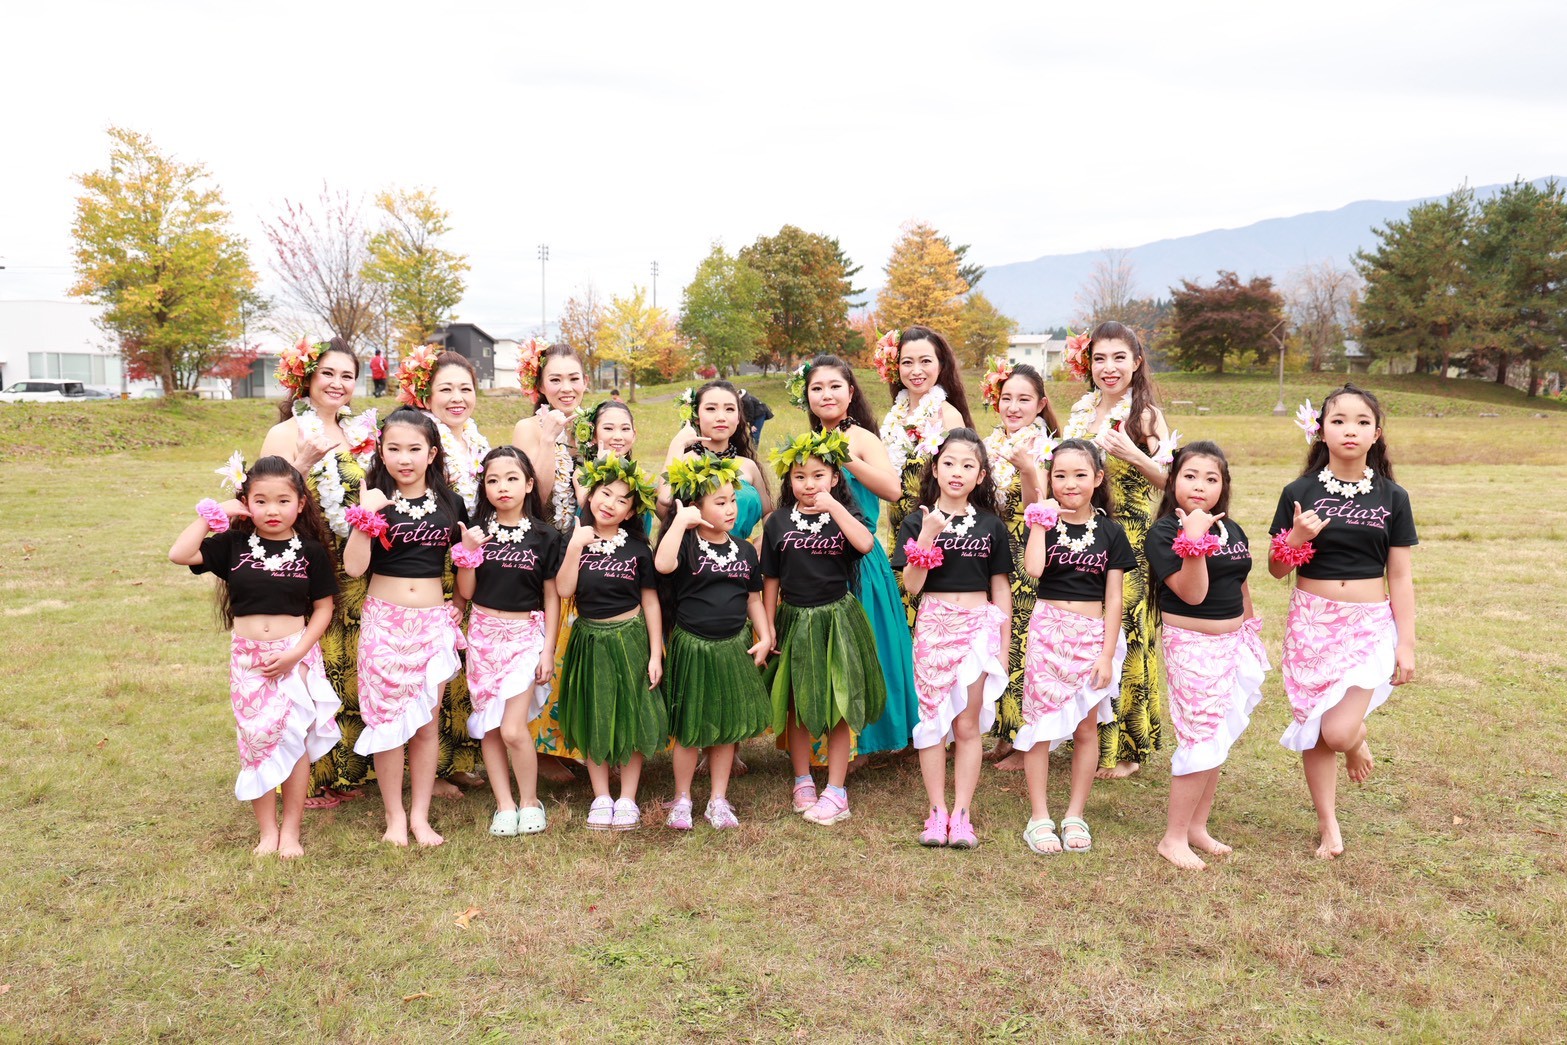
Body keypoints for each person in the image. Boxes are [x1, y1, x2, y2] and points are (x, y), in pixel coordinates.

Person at [1269, 385, 1416, 860]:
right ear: (1321, 431)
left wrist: (1406, 643)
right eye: (1338, 420)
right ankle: (1328, 824)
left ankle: (1355, 740)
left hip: (1367, 627)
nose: (1349, 430)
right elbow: (1277, 569)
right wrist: (1296, 537)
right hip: (1311, 627)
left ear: (1377, 433)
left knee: (1337, 731)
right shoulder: (1299, 492)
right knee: (1316, 727)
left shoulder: (1393, 496)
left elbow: (1400, 575)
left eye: (1361, 421)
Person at [169, 455, 341, 858]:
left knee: (294, 741)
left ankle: (291, 831)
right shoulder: (233, 545)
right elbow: (180, 554)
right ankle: (267, 831)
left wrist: (296, 653)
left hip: (294, 656)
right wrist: (214, 514)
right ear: (246, 502)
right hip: (249, 662)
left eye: (283, 500)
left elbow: (324, 609)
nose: (272, 510)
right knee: (256, 742)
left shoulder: (311, 551)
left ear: (301, 503)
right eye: (260, 501)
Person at [260, 337, 380, 808]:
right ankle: (309, 776)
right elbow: (266, 496)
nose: (337, 383)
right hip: (307, 562)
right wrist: (304, 463)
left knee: (351, 668)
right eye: (327, 373)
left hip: (357, 566)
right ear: (307, 378)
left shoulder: (359, 434)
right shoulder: (287, 432)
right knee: (315, 669)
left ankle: (350, 770)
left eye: (347, 375)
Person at [341, 408, 467, 847]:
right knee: (387, 723)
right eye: (394, 449)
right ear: (381, 452)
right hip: (385, 623)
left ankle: (420, 816)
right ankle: (394, 816)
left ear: (431, 453)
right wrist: (366, 516)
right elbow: (354, 568)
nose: (404, 458)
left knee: (427, 724)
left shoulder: (451, 503)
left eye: (414, 449)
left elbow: (465, 560)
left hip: (431, 625)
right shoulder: (373, 498)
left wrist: (460, 604)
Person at [1059, 321, 1176, 779]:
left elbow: (1173, 482)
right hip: (1084, 535)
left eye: (1119, 358)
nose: (1109, 367)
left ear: (1137, 362)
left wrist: (1134, 454)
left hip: (1130, 538)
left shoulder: (1146, 417)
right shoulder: (1081, 411)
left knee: (1126, 633)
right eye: (1100, 358)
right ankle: (1084, 733)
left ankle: (1128, 746)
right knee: (1089, 633)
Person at [1146, 442, 1269, 870]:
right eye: (1190, 476)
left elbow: (1240, 582)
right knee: (1200, 737)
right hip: (1192, 647)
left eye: (1211, 478)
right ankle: (1173, 837)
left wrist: (1249, 630)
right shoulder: (1164, 532)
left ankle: (1197, 827)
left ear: (1223, 486)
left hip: (1232, 645)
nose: (1200, 486)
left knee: (1217, 737)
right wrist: (1193, 540)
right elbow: (1193, 594)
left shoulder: (1231, 529)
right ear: (1173, 481)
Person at [1014, 439, 1137, 855]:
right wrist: (1038, 520)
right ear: (1050, 479)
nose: (1070, 483)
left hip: (1091, 636)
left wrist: (1106, 654)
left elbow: (1114, 598)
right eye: (1061, 475)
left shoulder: (1111, 532)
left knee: (1086, 728)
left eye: (1080, 475)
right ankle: (1039, 817)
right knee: (1040, 727)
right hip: (1048, 633)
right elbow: (1034, 570)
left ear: (1097, 478)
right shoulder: (1043, 523)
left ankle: (1074, 814)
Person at [892, 429, 1012, 849]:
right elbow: (912, 586)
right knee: (932, 721)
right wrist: (928, 535)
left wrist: (1003, 646)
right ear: (935, 468)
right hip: (934, 627)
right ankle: (936, 811)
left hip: (978, 628)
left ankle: (961, 813)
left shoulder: (991, 525)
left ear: (980, 476)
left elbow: (1001, 587)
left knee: (966, 723)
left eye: (967, 465)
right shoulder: (916, 520)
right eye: (949, 463)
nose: (957, 472)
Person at [760, 429, 885, 825]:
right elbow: (770, 579)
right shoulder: (778, 522)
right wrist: (769, 627)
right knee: (798, 702)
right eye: (800, 476)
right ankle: (802, 779)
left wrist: (835, 508)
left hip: (837, 619)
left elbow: (865, 544)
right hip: (795, 618)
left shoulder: (843, 517)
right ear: (789, 480)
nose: (809, 484)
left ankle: (836, 789)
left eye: (818, 475)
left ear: (834, 477)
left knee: (839, 701)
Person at [795, 355, 917, 761]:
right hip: (816, 557)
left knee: (867, 647)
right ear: (807, 396)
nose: (826, 394)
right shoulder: (808, 441)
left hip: (858, 556)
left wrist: (844, 456)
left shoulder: (863, 438)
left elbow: (893, 490)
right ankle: (831, 734)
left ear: (850, 392)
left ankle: (868, 739)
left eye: (834, 386)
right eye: (817, 388)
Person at [654, 454, 772, 830]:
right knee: (691, 728)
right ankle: (682, 798)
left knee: (726, 726)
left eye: (733, 500)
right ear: (696, 507)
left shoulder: (744, 549)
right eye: (720, 502)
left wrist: (766, 635)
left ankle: (718, 800)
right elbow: (662, 565)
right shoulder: (685, 545)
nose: (731, 509)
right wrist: (681, 522)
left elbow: (753, 598)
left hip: (733, 646)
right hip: (693, 646)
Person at [553, 454, 667, 830]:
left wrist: (655, 653)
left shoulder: (638, 549)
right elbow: (564, 590)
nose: (610, 504)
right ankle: (601, 795)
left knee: (633, 712)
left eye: (622, 500)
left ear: (631, 512)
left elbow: (650, 602)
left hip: (630, 636)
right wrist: (575, 546)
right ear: (591, 495)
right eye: (605, 493)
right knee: (596, 712)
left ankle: (628, 797)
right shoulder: (574, 540)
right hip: (590, 639)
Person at [454, 447, 562, 837]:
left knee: (513, 729)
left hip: (525, 637)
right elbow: (466, 592)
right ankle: (505, 805)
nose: (503, 487)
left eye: (512, 478)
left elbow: (552, 597)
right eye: (493, 480)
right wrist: (468, 553)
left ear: (529, 484)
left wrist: (547, 650)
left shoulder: (546, 536)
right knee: (490, 727)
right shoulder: (476, 531)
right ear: (484, 487)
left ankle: (530, 801)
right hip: (483, 636)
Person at [399, 348, 490, 795]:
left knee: (458, 666)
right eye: (446, 389)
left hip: (469, 559)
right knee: (423, 671)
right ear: (427, 395)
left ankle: (455, 760)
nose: (457, 398)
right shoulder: (419, 439)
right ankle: (424, 769)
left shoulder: (476, 440)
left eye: (465, 389)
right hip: (427, 564)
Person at [975, 361, 1061, 771]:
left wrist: (1027, 468)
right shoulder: (992, 442)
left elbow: (1035, 505)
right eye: (1006, 398)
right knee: (1000, 642)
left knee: (1027, 646)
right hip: (993, 551)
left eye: (1024, 399)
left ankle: (1029, 742)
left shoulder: (1044, 446)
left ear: (1041, 404)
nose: (1013, 407)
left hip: (1028, 552)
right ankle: (1006, 733)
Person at [510, 340, 589, 780]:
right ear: (539, 385)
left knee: (571, 643)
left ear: (585, 382)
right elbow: (534, 496)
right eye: (555, 379)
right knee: (544, 643)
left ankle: (567, 741)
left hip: (580, 545)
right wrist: (547, 438)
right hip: (541, 546)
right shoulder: (528, 427)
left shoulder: (588, 426)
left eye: (573, 378)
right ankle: (536, 746)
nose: (566, 387)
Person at [876, 326, 974, 625]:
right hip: (898, 528)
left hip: (937, 533)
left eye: (925, 361)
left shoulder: (948, 416)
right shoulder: (895, 416)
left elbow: (963, 480)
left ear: (941, 365)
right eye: (907, 362)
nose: (916, 371)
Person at [662, 380, 773, 541]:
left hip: (743, 554)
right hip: (695, 553)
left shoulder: (749, 466)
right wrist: (677, 445)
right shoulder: (683, 461)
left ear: (738, 417)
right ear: (696, 417)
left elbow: (768, 512)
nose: (721, 417)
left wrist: (762, 542)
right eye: (711, 409)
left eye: (729, 409)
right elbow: (664, 501)